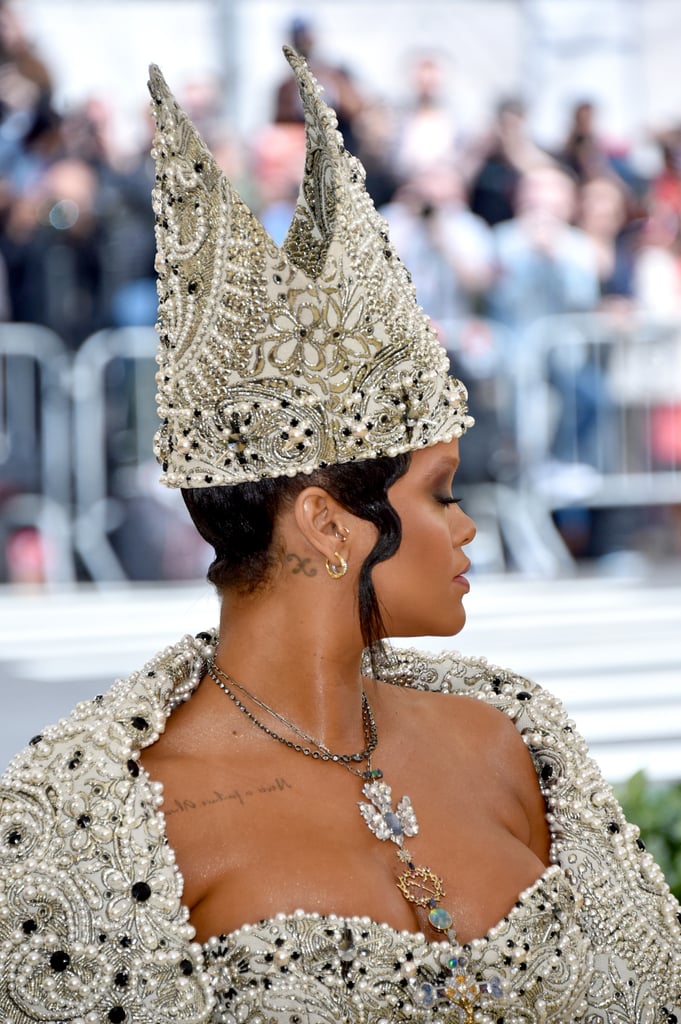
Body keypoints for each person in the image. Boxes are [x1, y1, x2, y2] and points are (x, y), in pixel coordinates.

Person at [0, 48, 679, 1024]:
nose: (469, 526)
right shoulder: (95, 811)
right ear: (326, 522)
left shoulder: (516, 734)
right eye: (441, 493)